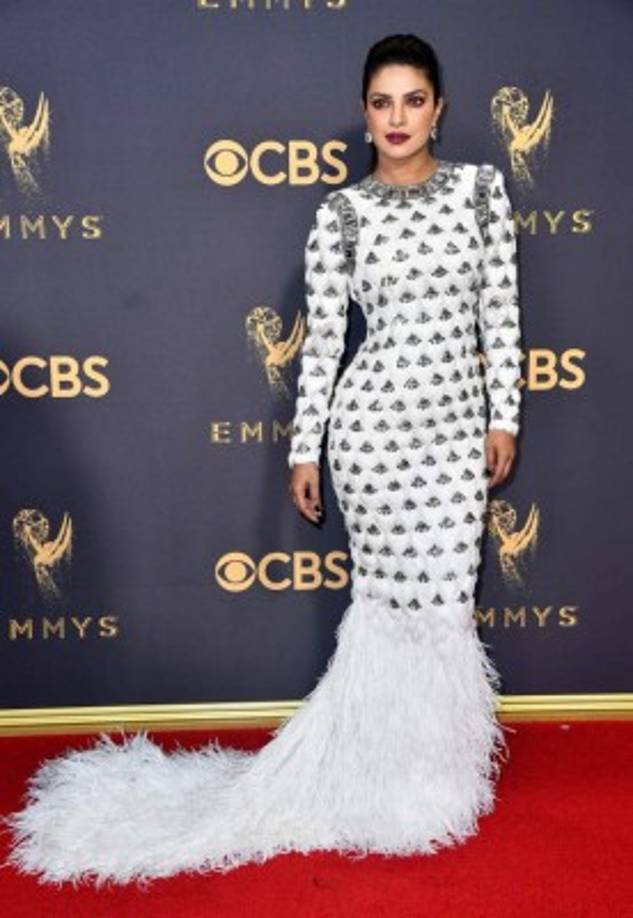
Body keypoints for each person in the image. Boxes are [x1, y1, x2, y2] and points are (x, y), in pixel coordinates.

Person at [1, 34, 522, 887]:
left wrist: (504, 416)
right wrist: (305, 445)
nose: (397, 118)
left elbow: (500, 314)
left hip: (454, 436)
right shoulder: (341, 214)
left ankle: (439, 775)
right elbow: (319, 349)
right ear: (365, 113)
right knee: (387, 607)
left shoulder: (479, 194)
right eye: (381, 103)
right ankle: (383, 776)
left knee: (445, 608)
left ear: (440, 108)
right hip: (373, 438)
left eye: (413, 100)